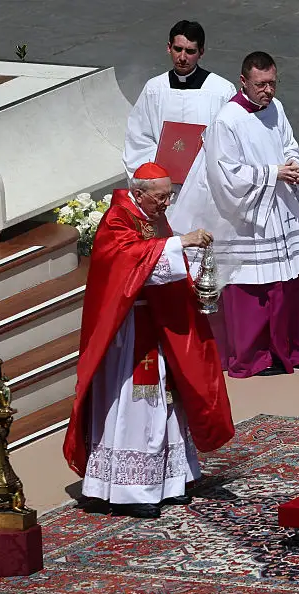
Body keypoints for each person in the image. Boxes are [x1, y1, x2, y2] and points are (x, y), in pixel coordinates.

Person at [63, 162, 235, 519]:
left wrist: (186, 262)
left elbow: (163, 261)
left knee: (167, 401)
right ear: (139, 193)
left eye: (169, 196)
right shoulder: (118, 218)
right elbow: (127, 261)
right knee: (137, 404)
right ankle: (129, 488)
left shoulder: (153, 216)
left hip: (157, 323)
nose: (166, 203)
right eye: (160, 197)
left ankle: (169, 481)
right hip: (128, 332)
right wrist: (179, 242)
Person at [170, 51, 299, 378]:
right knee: (254, 293)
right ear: (243, 81)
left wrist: (294, 164)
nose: (268, 91)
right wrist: (273, 173)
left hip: (279, 209)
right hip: (247, 218)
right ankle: (256, 357)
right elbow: (225, 174)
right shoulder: (227, 121)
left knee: (290, 286)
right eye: (260, 84)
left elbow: (290, 144)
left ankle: (297, 352)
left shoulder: (276, 108)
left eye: (272, 83)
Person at [122, 20, 236, 207]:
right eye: (178, 49)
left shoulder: (221, 91)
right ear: (169, 47)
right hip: (163, 188)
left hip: (205, 187)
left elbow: (230, 139)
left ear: (201, 52)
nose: (182, 57)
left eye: (190, 51)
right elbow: (138, 138)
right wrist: (158, 173)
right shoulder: (155, 89)